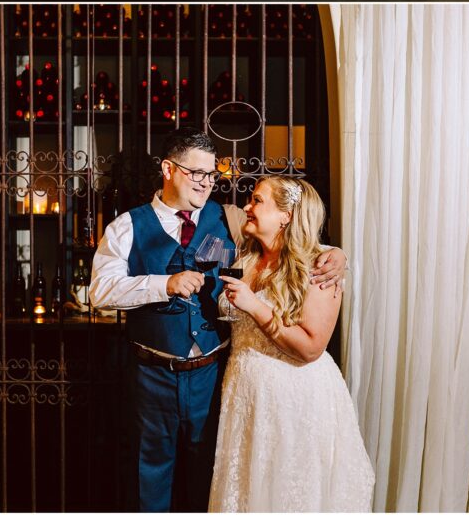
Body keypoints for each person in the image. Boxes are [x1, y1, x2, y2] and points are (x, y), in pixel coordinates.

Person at [89, 128, 347, 513]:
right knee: (148, 477)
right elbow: (100, 292)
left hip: (212, 375)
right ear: (168, 170)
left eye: (212, 174)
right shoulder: (126, 227)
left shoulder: (231, 218)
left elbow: (291, 240)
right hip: (151, 376)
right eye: (197, 173)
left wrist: (337, 255)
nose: (207, 183)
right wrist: (164, 284)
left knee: (212, 480)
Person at [208, 176, 375, 513]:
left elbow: (311, 348)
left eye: (258, 201)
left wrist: (255, 306)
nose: (247, 207)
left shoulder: (319, 268)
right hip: (246, 396)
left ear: (286, 215)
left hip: (294, 399)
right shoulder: (246, 258)